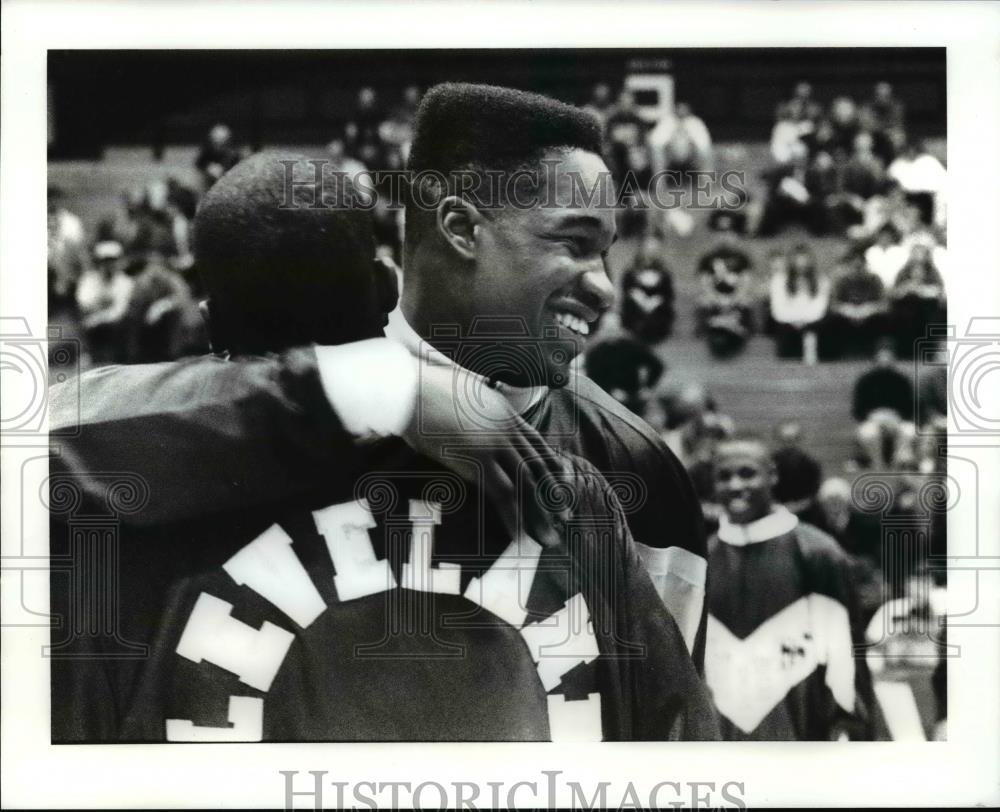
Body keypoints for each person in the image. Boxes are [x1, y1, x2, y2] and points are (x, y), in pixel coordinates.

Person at [50, 151, 717, 743]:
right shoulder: (557, 488)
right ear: (385, 290)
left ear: (209, 320)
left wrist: (366, 389)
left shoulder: (115, 513)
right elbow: (680, 748)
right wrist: (387, 385)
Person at [704, 437, 880, 740]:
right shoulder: (703, 558)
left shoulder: (818, 553)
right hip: (725, 744)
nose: (735, 485)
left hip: (803, 739)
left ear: (772, 476)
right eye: (724, 476)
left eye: (747, 473)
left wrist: (851, 731)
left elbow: (847, 658)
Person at [768, 244, 831, 360]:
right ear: (791, 261)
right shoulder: (779, 280)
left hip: (812, 322)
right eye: (797, 259)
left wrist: (804, 321)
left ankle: (811, 349)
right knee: (781, 329)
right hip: (788, 322)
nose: (801, 264)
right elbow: (777, 309)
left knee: (825, 322)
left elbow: (820, 308)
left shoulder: (821, 280)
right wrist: (796, 320)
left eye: (805, 259)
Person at [826, 252, 889, 358]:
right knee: (832, 320)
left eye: (860, 266)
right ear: (849, 266)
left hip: (871, 316)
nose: (857, 270)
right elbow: (832, 304)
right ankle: (839, 354)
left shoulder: (875, 279)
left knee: (884, 319)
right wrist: (846, 309)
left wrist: (870, 308)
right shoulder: (841, 281)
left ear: (866, 266)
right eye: (854, 266)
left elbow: (885, 304)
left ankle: (879, 352)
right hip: (846, 316)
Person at [619, 235, 675, 343]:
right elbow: (627, 287)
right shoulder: (632, 268)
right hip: (637, 301)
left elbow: (668, 292)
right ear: (643, 249)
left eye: (654, 249)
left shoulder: (664, 270)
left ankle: (653, 330)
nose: (651, 251)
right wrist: (639, 298)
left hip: (656, 303)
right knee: (631, 308)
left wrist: (656, 301)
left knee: (660, 314)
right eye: (649, 248)